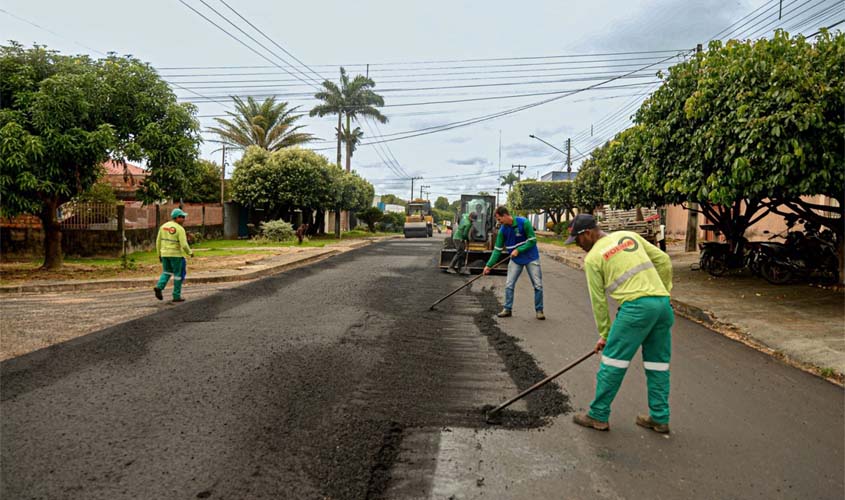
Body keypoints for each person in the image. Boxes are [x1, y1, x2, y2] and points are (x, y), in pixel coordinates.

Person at [565, 213, 674, 434]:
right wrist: (662, 293)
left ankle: (597, 415)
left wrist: (605, 334)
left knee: (612, 364)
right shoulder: (628, 236)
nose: (578, 246)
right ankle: (660, 418)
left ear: (587, 233)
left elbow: (599, 302)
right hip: (662, 307)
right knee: (657, 364)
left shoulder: (593, 258)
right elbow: (663, 260)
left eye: (577, 240)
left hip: (636, 309)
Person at [483, 206, 544, 320]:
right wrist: (488, 265)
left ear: (505, 215)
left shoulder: (524, 222)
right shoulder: (503, 230)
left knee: (538, 285)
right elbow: (497, 250)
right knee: (509, 285)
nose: (499, 222)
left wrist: (519, 250)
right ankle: (507, 309)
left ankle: (539, 310)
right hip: (516, 260)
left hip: (531, 258)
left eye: (499, 219)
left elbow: (532, 240)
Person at [154, 208, 194, 303]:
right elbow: (184, 244)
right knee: (177, 275)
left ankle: (159, 287)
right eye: (182, 217)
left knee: (166, 272)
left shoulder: (163, 227)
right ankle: (176, 296)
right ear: (177, 218)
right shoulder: (180, 229)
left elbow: (158, 242)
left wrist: (159, 254)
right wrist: (190, 252)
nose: (184, 219)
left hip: (164, 254)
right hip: (176, 255)